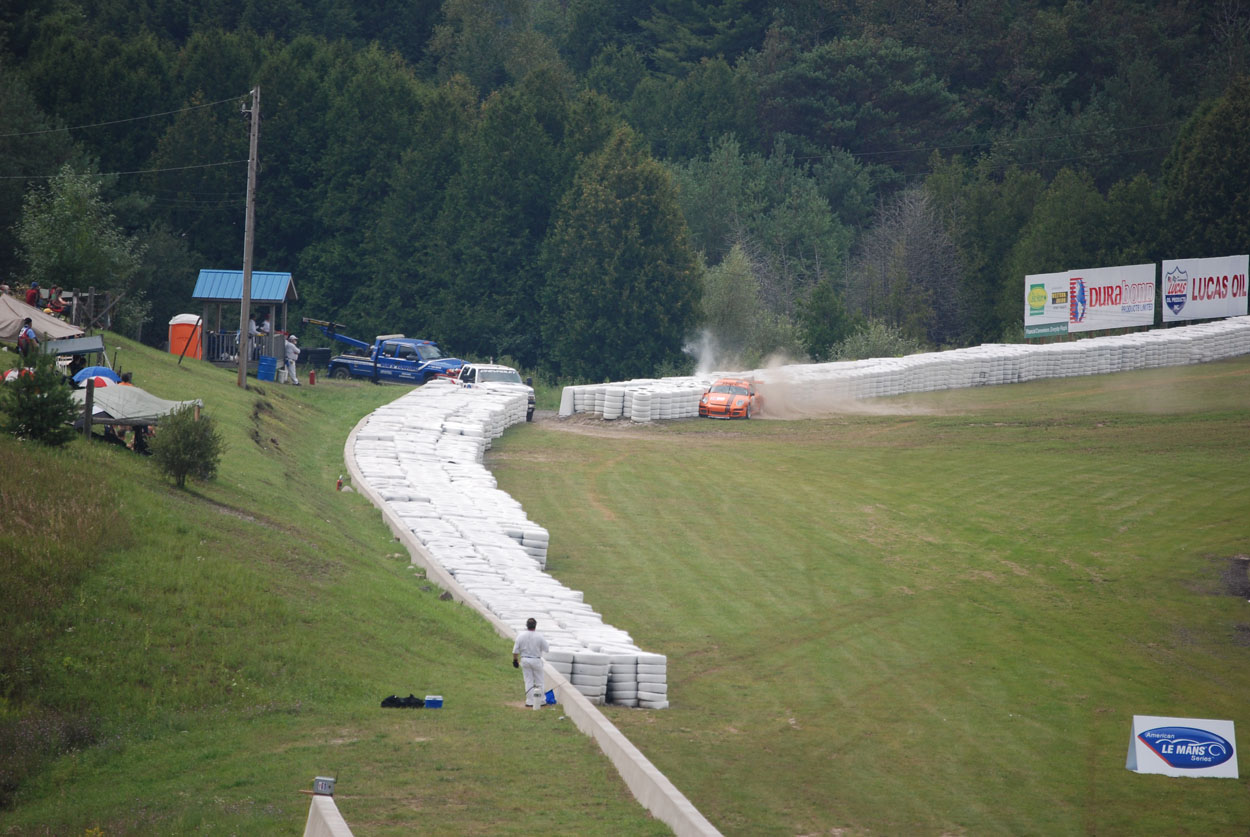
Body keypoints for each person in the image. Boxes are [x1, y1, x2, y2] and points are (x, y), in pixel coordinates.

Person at [512, 617, 550, 710]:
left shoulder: (521, 636)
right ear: (535, 626)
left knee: (528, 680)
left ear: (526, 625)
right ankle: (541, 700)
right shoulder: (539, 636)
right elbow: (546, 649)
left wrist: (515, 660)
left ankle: (530, 701)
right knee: (539, 681)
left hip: (525, 659)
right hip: (536, 659)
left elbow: (515, 651)